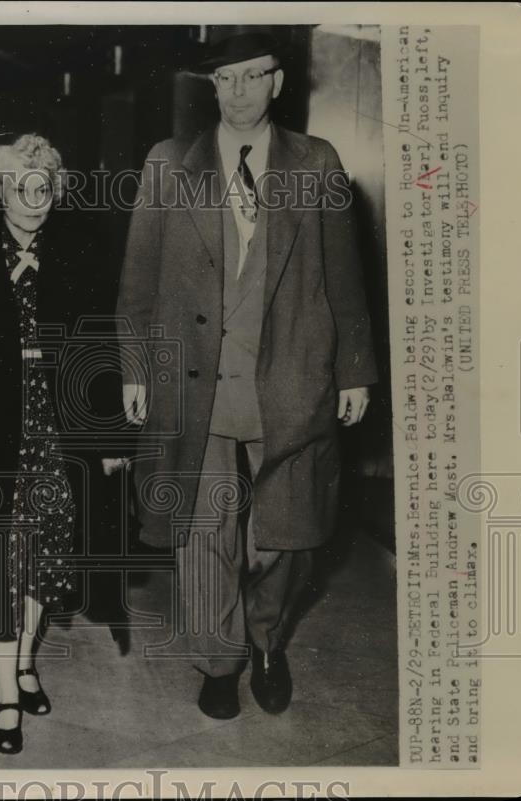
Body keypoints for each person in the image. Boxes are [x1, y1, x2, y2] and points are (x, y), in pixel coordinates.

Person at [115, 32, 378, 719]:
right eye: (225, 79)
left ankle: (266, 637)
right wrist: (137, 366)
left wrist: (354, 369)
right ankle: (219, 658)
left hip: (290, 375)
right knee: (205, 529)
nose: (237, 92)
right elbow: (137, 279)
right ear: (212, 86)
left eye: (252, 77)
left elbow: (347, 278)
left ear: (278, 82)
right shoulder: (169, 163)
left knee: (283, 537)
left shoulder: (316, 162)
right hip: (196, 383)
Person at [0, 133, 126, 754]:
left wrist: (109, 431)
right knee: (2, 565)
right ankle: (7, 693)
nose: (34, 199)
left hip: (56, 434)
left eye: (44, 187)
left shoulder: (79, 252)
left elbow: (98, 346)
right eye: (20, 186)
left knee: (41, 562)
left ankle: (26, 662)